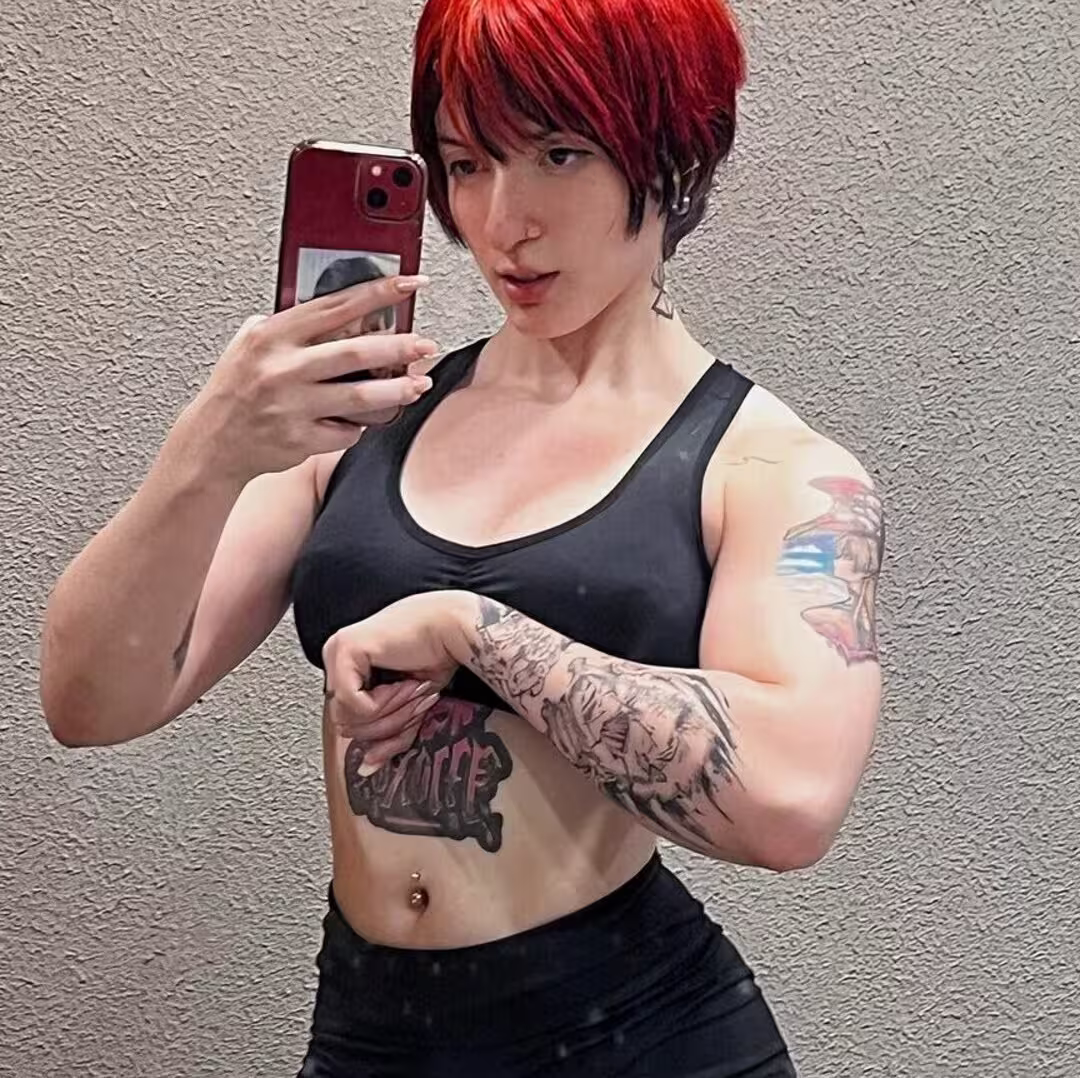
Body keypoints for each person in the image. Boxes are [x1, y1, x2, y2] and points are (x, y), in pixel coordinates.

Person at [39, 0, 885, 1073]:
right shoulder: (367, 419)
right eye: (467, 164)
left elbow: (792, 801)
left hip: (636, 1037)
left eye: (560, 154)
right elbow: (90, 702)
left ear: (673, 149)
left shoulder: (772, 467)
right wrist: (207, 450)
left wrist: (473, 631)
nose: (502, 220)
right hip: (369, 1034)